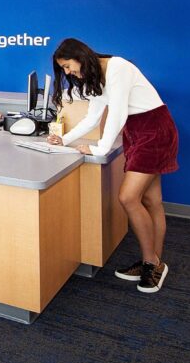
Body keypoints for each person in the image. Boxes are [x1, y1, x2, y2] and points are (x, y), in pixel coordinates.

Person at [48, 38, 178, 293]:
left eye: (67, 66)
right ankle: (152, 262)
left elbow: (117, 112)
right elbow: (92, 118)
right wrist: (63, 140)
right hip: (137, 132)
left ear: (80, 55)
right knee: (151, 201)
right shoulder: (96, 78)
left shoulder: (117, 66)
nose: (68, 72)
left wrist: (100, 148)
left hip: (155, 130)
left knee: (128, 197)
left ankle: (152, 263)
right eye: (63, 69)